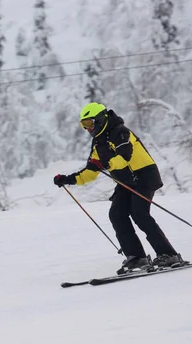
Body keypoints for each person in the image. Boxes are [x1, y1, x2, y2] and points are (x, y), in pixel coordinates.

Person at [53, 102, 181, 274]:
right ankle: (137, 258)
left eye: (89, 123)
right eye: (84, 125)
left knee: (140, 214)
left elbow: (124, 156)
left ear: (100, 119)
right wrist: (67, 179)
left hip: (143, 176)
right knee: (116, 214)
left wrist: (108, 163)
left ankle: (168, 254)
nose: (87, 129)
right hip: (125, 182)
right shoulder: (98, 143)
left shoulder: (120, 131)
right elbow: (90, 172)